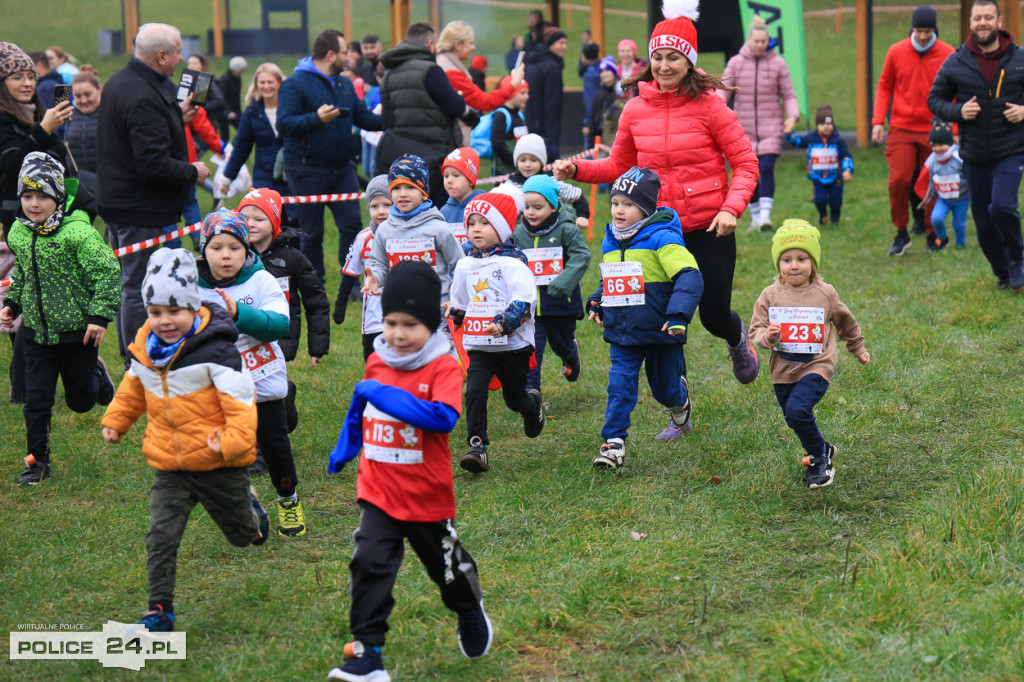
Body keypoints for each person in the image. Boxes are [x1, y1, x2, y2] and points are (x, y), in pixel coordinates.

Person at [554, 2, 762, 386]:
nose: (664, 66)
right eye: (658, 57)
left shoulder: (711, 108)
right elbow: (619, 166)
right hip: (657, 231)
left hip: (710, 227)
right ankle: (677, 396)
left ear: (689, 61)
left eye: (673, 58)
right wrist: (578, 170)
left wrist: (730, 209)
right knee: (662, 318)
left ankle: (736, 338)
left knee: (713, 316)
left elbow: (746, 164)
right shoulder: (634, 109)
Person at [327, 259, 491, 681]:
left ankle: (469, 609)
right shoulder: (378, 361)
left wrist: (383, 394)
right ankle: (367, 654)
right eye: (390, 323)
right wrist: (346, 446)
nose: (398, 334)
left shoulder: (442, 366)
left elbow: (442, 417)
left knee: (448, 572)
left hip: (425, 497)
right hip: (378, 490)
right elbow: (362, 405)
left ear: (431, 324)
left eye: (410, 325)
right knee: (369, 564)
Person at [101, 247, 268, 633]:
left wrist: (231, 443)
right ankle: (159, 611)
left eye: (174, 311)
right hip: (170, 465)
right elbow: (134, 385)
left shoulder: (216, 351)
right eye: (156, 312)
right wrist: (117, 420)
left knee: (244, 537)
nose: (165, 321)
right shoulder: (146, 347)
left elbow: (241, 403)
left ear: (193, 307)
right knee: (160, 537)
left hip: (218, 461)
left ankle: (251, 508)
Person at [1, 153, 119, 485]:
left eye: (42, 196)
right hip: (36, 333)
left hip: (77, 332)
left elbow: (108, 273)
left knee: (80, 402)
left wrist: (99, 317)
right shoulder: (19, 233)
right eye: (27, 196)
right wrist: (12, 304)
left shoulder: (78, 232)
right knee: (35, 401)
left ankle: (96, 374)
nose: (33, 204)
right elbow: (23, 273)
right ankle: (36, 463)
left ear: (58, 197)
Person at [97, 23, 211, 363]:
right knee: (137, 286)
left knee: (129, 282)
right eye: (177, 52)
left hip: (120, 201)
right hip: (137, 207)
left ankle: (132, 353)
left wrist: (176, 115)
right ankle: (138, 359)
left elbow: (141, 135)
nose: (181, 59)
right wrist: (193, 172)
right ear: (161, 56)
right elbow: (152, 163)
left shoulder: (121, 80)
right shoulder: (142, 95)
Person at [195, 210, 307, 537]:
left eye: (235, 248)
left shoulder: (261, 280)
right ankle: (244, 503)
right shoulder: (191, 289)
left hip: (264, 385)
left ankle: (288, 499)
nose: (226, 255)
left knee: (275, 450)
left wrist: (237, 312)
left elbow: (279, 324)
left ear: (247, 250)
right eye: (217, 248)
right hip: (220, 390)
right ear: (203, 251)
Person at [586, 167, 702, 470]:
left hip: (661, 330)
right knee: (619, 384)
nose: (619, 210)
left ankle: (679, 400)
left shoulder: (662, 238)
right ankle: (613, 444)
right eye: (615, 203)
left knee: (664, 390)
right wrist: (598, 299)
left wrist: (678, 316)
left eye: (628, 204)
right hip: (622, 332)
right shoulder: (611, 240)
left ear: (647, 208)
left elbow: (690, 275)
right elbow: (612, 279)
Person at [748, 220, 870, 489]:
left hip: (817, 364)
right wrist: (768, 337)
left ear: (813, 263)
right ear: (778, 264)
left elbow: (845, 321)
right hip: (783, 368)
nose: (794, 265)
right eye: (787, 259)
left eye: (802, 259)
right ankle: (823, 447)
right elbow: (756, 329)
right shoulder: (769, 295)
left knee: (798, 409)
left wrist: (857, 347)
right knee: (792, 416)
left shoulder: (825, 293)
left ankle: (819, 461)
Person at [929, 0, 1024, 290]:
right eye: (978, 18)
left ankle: (1017, 260)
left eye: (988, 17)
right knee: (983, 224)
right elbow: (934, 100)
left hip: (1011, 150)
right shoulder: (956, 61)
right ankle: (1003, 273)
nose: (983, 23)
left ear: (999, 21)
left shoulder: (1019, 57)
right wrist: (958, 111)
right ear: (971, 23)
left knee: (1002, 206)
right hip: (973, 155)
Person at [277, 28, 382, 280]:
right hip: (306, 169)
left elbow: (364, 118)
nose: (349, 58)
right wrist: (316, 118)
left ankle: (351, 283)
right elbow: (284, 123)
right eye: (345, 53)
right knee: (312, 232)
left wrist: (398, 117)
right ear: (331, 55)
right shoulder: (295, 83)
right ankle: (315, 285)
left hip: (343, 169)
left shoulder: (345, 83)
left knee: (352, 227)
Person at [450, 192, 543, 473]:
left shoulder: (513, 263)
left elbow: (524, 301)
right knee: (474, 392)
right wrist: (455, 315)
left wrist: (504, 323)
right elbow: (460, 300)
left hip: (512, 345)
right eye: (471, 223)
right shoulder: (464, 264)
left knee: (514, 399)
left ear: (501, 228)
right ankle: (477, 446)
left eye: (484, 223)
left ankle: (531, 406)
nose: (476, 229)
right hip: (479, 344)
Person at [238, 188, 330, 439]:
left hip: (281, 338)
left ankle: (283, 405)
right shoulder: (234, 256)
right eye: (245, 218)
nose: (251, 224)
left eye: (259, 219)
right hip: (244, 336)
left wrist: (317, 346)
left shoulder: (291, 258)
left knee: (272, 391)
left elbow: (316, 301)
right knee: (247, 388)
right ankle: (255, 443)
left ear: (275, 222)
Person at [874, 6, 955, 256]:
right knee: (898, 180)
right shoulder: (896, 51)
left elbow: (955, 91)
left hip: (935, 128)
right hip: (901, 126)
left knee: (932, 180)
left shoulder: (948, 53)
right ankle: (901, 232)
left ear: (934, 30)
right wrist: (878, 121)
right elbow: (885, 86)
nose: (922, 36)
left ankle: (932, 232)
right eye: (919, 31)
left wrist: (953, 127)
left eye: (928, 32)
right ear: (912, 29)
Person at [718, 16, 799, 231]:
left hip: (771, 125)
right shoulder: (736, 63)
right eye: (756, 41)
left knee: (766, 167)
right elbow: (723, 91)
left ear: (768, 41)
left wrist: (792, 116)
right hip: (743, 129)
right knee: (749, 172)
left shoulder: (778, 64)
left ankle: (765, 215)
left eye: (764, 41)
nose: (760, 45)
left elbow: (789, 94)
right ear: (749, 40)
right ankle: (755, 217)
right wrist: (717, 111)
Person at [512, 173, 589, 395]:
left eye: (538, 207)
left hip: (560, 303)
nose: (531, 212)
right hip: (530, 306)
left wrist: (563, 281)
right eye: (527, 207)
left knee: (560, 342)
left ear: (553, 207)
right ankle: (532, 391)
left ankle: (570, 353)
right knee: (532, 348)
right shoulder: (518, 233)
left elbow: (581, 256)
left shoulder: (567, 229)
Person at [377, 22, 468, 210]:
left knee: (407, 212)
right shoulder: (431, 71)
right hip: (434, 157)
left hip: (402, 158)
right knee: (436, 213)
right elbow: (455, 107)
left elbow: (386, 120)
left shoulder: (389, 73)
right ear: (430, 45)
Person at [364, 154, 465, 306]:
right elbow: (379, 264)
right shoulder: (384, 229)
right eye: (396, 188)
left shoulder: (438, 228)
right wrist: (376, 278)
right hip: (399, 304)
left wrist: (456, 299)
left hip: (436, 306)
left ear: (424, 193)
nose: (402, 194)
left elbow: (460, 265)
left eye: (410, 187)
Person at [0, 41, 75, 230]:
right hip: (16, 222)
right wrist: (43, 130)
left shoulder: (34, 115)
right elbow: (14, 167)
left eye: (31, 77)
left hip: (50, 218)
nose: (27, 83)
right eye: (17, 78)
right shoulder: (4, 121)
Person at [434, 21, 526, 146]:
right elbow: (485, 101)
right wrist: (514, 83)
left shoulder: (441, 63)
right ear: (458, 45)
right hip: (450, 139)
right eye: (470, 43)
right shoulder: (451, 72)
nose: (474, 47)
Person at [334, 175, 391, 359]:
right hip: (373, 319)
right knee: (373, 364)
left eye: (387, 205)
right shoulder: (363, 238)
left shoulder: (406, 236)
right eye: (375, 206)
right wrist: (341, 303)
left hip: (399, 315)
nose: (381, 211)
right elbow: (350, 273)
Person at [220, 62, 288, 198]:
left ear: (279, 83)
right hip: (264, 176)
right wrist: (227, 179)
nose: (266, 86)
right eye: (262, 83)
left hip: (291, 175)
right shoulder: (251, 113)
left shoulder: (291, 109)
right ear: (256, 85)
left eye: (270, 82)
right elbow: (241, 149)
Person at [785, 105, 854, 226]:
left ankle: (835, 220)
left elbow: (845, 156)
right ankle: (823, 214)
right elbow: (798, 142)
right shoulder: (812, 138)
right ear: (817, 125)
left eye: (829, 124)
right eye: (822, 124)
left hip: (836, 178)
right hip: (817, 178)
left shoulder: (838, 140)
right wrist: (789, 133)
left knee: (836, 202)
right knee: (820, 200)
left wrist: (847, 170)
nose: (826, 127)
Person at [500, 133, 589, 228]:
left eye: (533, 160)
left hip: (553, 234)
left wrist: (582, 216)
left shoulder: (551, 183)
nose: (527, 164)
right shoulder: (509, 187)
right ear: (516, 162)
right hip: (520, 235)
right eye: (522, 160)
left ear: (542, 162)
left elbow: (576, 195)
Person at [914, 119, 969, 251]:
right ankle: (942, 239)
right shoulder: (933, 161)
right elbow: (932, 182)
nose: (937, 149)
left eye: (941, 145)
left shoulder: (959, 158)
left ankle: (960, 244)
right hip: (943, 199)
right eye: (934, 145)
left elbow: (969, 177)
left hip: (961, 200)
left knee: (959, 224)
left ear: (949, 143)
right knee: (936, 218)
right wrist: (929, 198)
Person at [524, 27, 568, 160]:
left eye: (565, 43)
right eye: (561, 43)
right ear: (551, 44)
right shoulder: (552, 67)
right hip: (546, 129)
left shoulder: (533, 61)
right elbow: (552, 102)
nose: (564, 47)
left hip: (532, 122)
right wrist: (552, 135)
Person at [65, 71, 103, 198]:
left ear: (99, 89)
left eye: (88, 94)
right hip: (79, 184)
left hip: (107, 182)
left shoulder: (111, 112)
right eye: (78, 96)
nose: (83, 100)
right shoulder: (70, 115)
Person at [487, 76, 529, 177]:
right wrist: (515, 161)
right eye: (522, 93)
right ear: (510, 94)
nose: (527, 96)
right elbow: (497, 145)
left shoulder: (519, 115)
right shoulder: (501, 115)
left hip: (520, 170)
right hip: (504, 173)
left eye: (527, 93)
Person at [440, 147, 485, 228]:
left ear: (470, 180)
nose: (449, 181)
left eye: (456, 175)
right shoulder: (444, 212)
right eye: (446, 176)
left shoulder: (482, 208)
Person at [217, 55, 247, 140]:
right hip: (223, 112)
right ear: (234, 70)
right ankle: (224, 148)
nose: (241, 73)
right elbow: (221, 98)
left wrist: (239, 113)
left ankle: (234, 146)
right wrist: (228, 112)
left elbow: (237, 97)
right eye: (240, 71)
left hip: (235, 111)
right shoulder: (224, 79)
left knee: (243, 130)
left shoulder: (238, 79)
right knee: (225, 136)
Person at [580, 42, 601, 146]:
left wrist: (587, 123)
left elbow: (589, 100)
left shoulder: (588, 74)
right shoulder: (600, 70)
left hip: (593, 120)